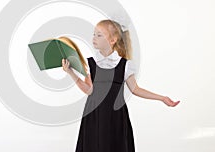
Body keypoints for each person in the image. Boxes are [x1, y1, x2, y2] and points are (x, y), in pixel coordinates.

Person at [61, 19, 180, 152]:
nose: (94, 38)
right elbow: (89, 91)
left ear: (113, 40)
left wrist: (162, 98)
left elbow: (135, 89)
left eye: (99, 35)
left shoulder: (125, 65)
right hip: (94, 115)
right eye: (94, 34)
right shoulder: (90, 64)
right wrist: (71, 72)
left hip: (115, 116)